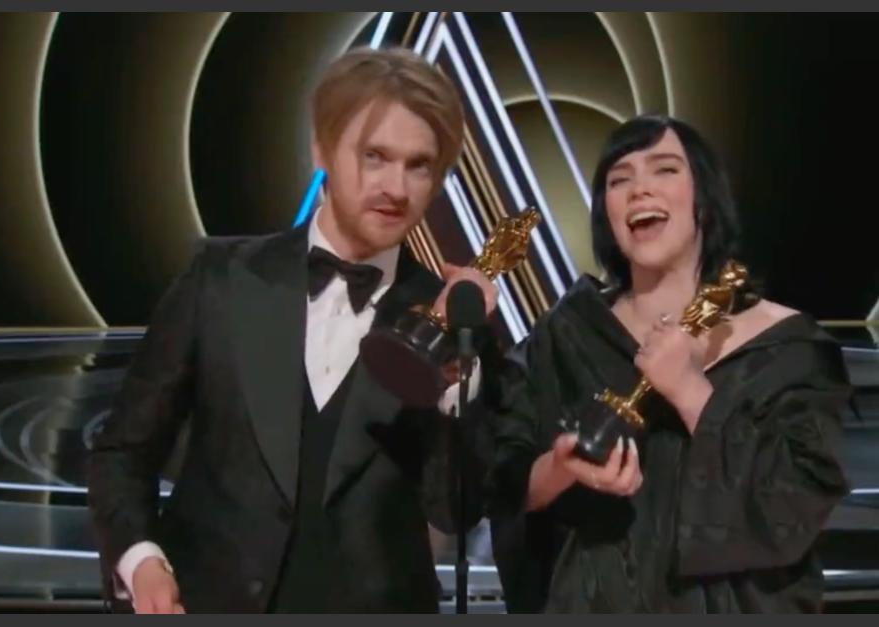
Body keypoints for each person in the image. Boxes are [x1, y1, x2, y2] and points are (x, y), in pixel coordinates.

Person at [87, 46, 499, 613]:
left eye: (419, 165)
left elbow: (455, 510)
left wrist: (456, 375)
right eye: (374, 156)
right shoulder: (222, 279)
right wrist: (140, 559)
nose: (396, 188)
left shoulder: (453, 319)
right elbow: (122, 454)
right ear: (321, 149)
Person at [487, 114, 851, 613]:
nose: (640, 190)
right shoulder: (567, 335)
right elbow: (502, 483)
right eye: (620, 180)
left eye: (664, 170)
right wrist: (561, 467)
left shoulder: (785, 346)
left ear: (704, 195)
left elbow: (797, 501)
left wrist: (689, 389)